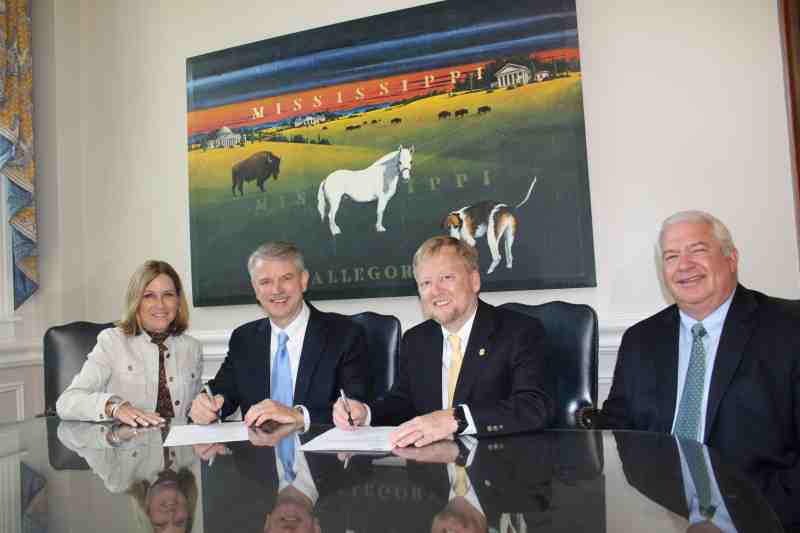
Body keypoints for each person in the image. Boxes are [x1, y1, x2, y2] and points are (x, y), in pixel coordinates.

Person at [600, 210, 800, 530]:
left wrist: (750, 518)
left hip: (764, 515)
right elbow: (617, 428)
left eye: (698, 250)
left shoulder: (788, 328)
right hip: (662, 515)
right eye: (671, 256)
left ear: (731, 258)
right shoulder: (641, 340)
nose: (684, 265)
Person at [333, 236, 553, 447]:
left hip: (498, 469)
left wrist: (456, 419)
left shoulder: (519, 331)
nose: (435, 291)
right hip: (435, 474)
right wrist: (365, 413)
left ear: (474, 281)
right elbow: (403, 402)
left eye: (446, 278)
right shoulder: (416, 339)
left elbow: (534, 407)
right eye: (426, 283)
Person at [189, 241, 367, 428]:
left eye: (286, 278)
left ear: (304, 280)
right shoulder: (244, 339)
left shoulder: (345, 334)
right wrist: (207, 405)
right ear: (255, 288)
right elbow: (222, 393)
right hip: (258, 453)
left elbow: (355, 407)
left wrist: (298, 415)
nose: (276, 290)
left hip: (323, 455)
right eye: (265, 282)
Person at [56, 260, 202, 426]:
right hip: (127, 445)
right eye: (149, 296)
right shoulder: (112, 342)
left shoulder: (192, 348)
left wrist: (206, 409)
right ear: (136, 302)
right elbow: (66, 402)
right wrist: (114, 408)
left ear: (178, 301)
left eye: (168, 295)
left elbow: (194, 409)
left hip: (180, 447)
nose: (160, 305)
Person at [57, 420, 200, 533]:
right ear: (188, 510)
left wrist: (115, 434)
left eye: (160, 524)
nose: (171, 514)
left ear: (146, 513)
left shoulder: (119, 477)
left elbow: (66, 432)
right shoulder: (193, 453)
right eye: (179, 522)